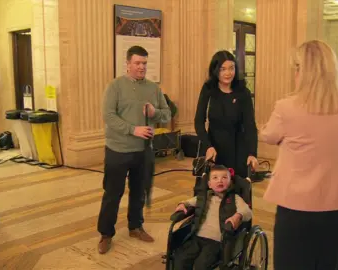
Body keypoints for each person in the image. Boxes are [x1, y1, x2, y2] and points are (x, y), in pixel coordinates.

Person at [261, 40, 338, 269]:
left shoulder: (286, 107)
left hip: (296, 207)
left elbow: (268, 136)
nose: (295, 74)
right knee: (330, 264)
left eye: (297, 68)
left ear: (304, 71)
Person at [97, 45, 171, 254]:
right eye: (137, 63)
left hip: (144, 151)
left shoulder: (153, 88)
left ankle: (135, 227)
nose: (141, 67)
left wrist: (155, 111)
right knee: (113, 193)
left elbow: (167, 114)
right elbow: (109, 116)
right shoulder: (115, 87)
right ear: (128, 64)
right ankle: (106, 234)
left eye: (145, 63)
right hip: (118, 150)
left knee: (139, 191)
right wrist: (133, 130)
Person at [173, 165, 252, 270]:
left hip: (216, 241)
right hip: (197, 237)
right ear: (209, 184)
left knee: (201, 264)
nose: (220, 180)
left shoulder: (234, 199)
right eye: (215, 178)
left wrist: (237, 216)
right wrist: (182, 204)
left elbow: (247, 211)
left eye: (224, 177)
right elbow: (189, 202)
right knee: (180, 258)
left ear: (230, 183)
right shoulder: (204, 197)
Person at [194, 50, 258, 178]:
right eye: (223, 69)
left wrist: (252, 153)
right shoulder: (208, 89)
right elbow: (199, 121)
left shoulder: (243, 91)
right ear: (215, 70)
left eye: (231, 68)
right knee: (214, 192)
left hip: (239, 149)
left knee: (238, 190)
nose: (228, 73)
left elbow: (250, 125)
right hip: (214, 149)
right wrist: (208, 146)